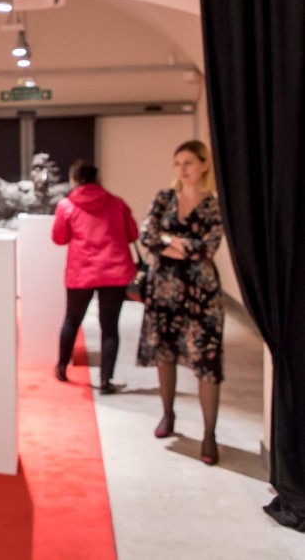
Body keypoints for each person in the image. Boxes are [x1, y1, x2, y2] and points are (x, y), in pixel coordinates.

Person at [136, 139, 224, 465]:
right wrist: (183, 245)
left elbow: (208, 247)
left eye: (188, 162)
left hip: (202, 294)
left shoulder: (213, 204)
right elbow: (146, 235)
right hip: (164, 290)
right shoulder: (164, 197)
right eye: (178, 163)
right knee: (165, 353)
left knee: (206, 360)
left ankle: (210, 434)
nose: (182, 169)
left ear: (204, 164)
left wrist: (168, 241)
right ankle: (167, 414)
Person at [52, 159, 138, 394]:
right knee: (109, 326)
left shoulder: (67, 206)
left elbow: (59, 238)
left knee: (72, 320)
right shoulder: (117, 203)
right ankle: (105, 380)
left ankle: (62, 367)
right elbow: (133, 234)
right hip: (115, 271)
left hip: (82, 271)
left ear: (74, 180)